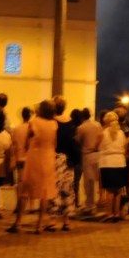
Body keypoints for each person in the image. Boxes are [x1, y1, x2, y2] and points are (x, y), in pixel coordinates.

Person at [8, 100, 57, 234]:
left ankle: (18, 222)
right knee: (45, 192)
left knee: (26, 189)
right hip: (48, 157)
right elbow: (54, 143)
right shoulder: (54, 124)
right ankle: (39, 225)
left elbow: (26, 142)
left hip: (35, 157)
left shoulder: (34, 122)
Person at [49, 96, 77, 231]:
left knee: (54, 189)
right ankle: (66, 221)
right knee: (67, 189)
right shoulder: (71, 123)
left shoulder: (52, 122)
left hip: (55, 158)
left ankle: (52, 221)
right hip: (69, 159)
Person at [98, 112, 128, 222]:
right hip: (120, 162)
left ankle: (109, 213)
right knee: (118, 190)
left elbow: (97, 146)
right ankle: (116, 213)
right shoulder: (121, 133)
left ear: (106, 121)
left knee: (109, 191)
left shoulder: (103, 133)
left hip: (107, 163)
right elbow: (125, 148)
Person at [76, 107, 102, 215]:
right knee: (96, 181)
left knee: (88, 182)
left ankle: (90, 205)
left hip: (87, 155)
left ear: (82, 116)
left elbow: (78, 141)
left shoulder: (81, 128)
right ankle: (94, 203)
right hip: (98, 154)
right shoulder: (97, 125)